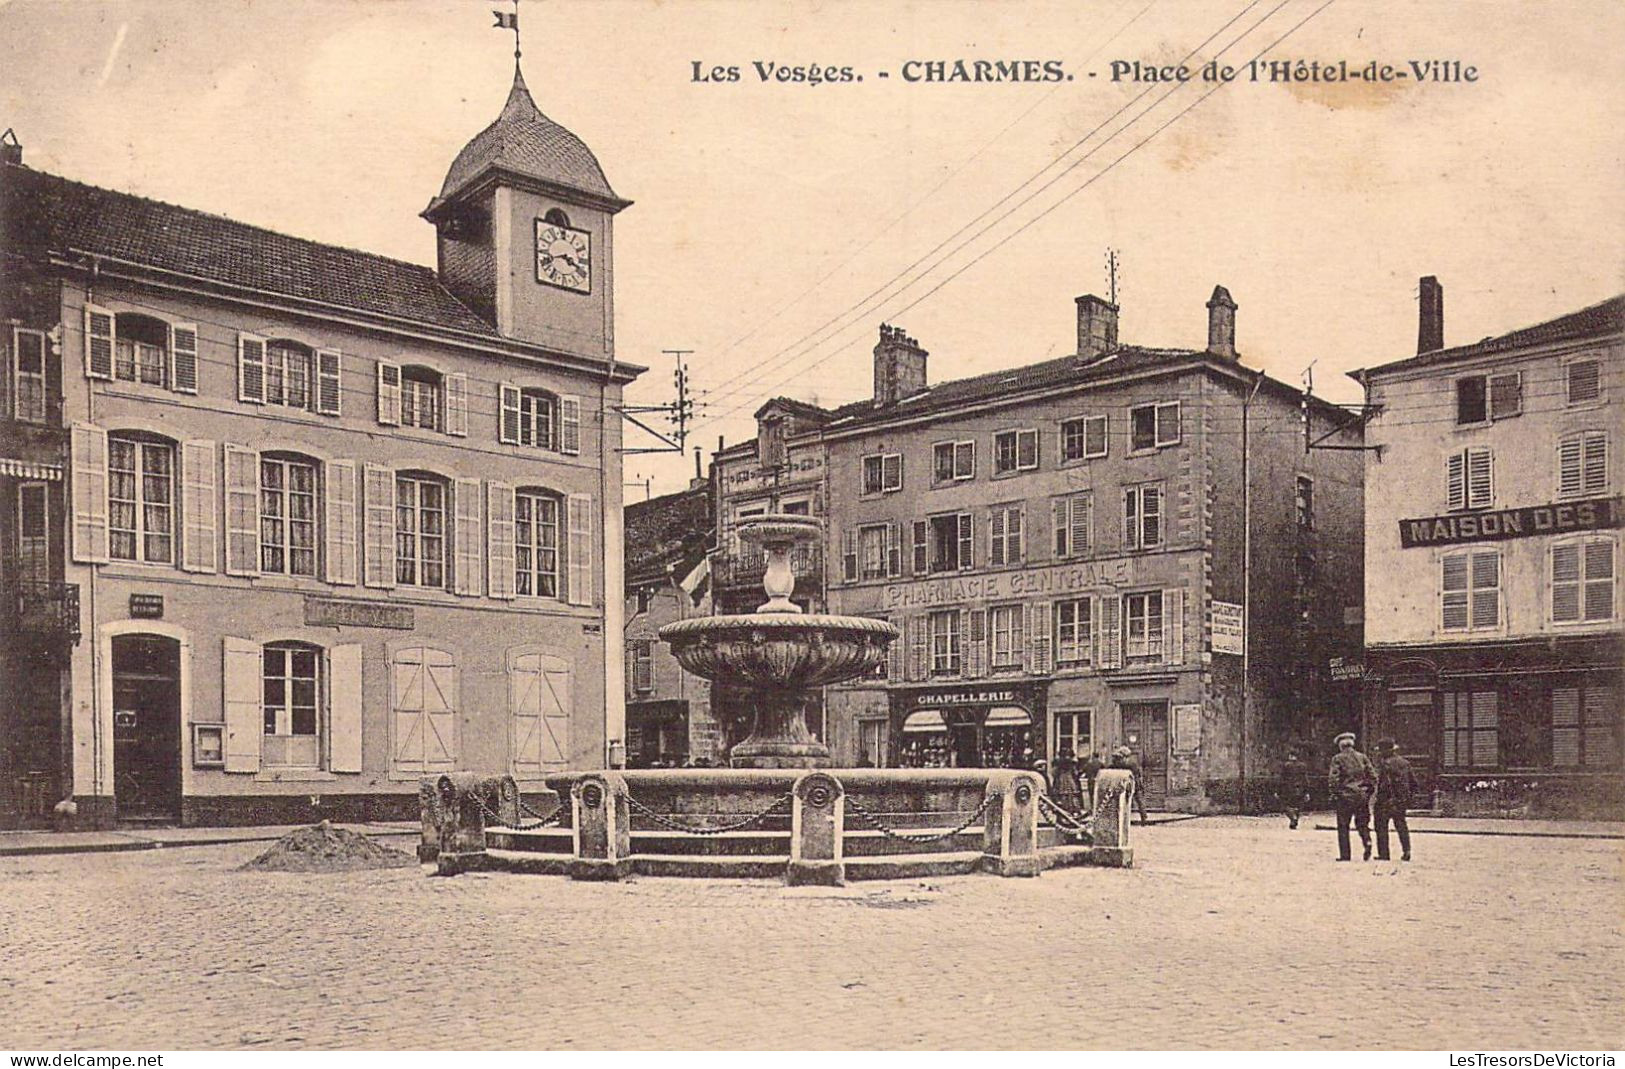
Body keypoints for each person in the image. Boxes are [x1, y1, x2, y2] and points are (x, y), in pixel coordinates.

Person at [1327, 731, 1375, 861]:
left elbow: (1333, 778)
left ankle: (1345, 855)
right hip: (1361, 796)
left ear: (1341, 746)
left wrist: (1335, 793)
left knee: (1343, 826)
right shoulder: (1362, 757)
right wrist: (1367, 791)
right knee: (1362, 823)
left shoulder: (1337, 758)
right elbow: (1373, 776)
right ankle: (1367, 841)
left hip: (1345, 796)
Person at [1373, 737, 1414, 862]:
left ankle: (1384, 854)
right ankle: (1407, 851)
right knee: (1401, 825)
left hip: (1386, 800)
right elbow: (1413, 783)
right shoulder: (1405, 763)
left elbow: (1383, 784)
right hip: (1401, 800)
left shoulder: (1384, 764)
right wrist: (1406, 798)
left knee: (1381, 826)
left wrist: (1379, 798)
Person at [1112, 745, 1150, 825]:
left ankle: (1142, 818)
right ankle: (1143, 818)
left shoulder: (1127, 764)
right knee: (1139, 801)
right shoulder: (1131, 763)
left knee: (1135, 801)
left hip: (1131, 784)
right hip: (1132, 784)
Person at [1279, 747, 1310, 830]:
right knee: (1298, 806)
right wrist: (1307, 791)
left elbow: (1282, 779)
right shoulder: (1303, 766)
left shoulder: (1286, 765)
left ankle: (1293, 818)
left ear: (1290, 756)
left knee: (1286, 805)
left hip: (1288, 789)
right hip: (1300, 788)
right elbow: (1305, 779)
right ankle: (1295, 819)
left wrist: (1278, 790)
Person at [1051, 749, 1084, 816]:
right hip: (1069, 778)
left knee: (1063, 794)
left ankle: (1063, 809)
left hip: (1061, 779)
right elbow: (1075, 773)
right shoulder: (1071, 763)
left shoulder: (1058, 762)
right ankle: (1074, 809)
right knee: (1072, 794)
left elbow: (1054, 773)